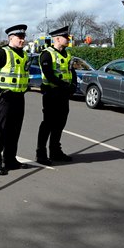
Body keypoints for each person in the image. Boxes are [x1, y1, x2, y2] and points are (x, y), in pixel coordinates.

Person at [0, 24, 30, 176]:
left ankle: (10, 159)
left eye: (24, 37)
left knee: (15, 130)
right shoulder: (2, 53)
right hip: (3, 97)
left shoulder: (24, 55)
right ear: (11, 38)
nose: (22, 40)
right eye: (19, 37)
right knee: (0, 129)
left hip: (18, 97)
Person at [35, 26, 77, 166]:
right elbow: (49, 75)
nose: (69, 39)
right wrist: (65, 86)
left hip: (63, 95)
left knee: (60, 123)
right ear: (58, 39)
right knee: (48, 124)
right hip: (51, 93)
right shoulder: (46, 54)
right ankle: (41, 153)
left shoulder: (67, 54)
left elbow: (72, 71)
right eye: (66, 37)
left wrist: (73, 85)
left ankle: (55, 151)